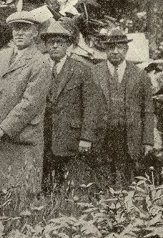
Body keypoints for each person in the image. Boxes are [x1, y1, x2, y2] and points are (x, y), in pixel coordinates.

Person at [0, 9, 52, 194]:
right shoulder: (0, 56)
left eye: (25, 29)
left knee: (21, 193)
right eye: (16, 28)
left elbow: (30, 103)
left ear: (35, 33)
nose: (19, 33)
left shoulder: (40, 62)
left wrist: (3, 129)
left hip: (22, 138)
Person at [90, 26, 154, 185]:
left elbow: (147, 110)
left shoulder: (140, 75)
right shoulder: (93, 72)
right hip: (102, 136)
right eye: (111, 47)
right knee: (101, 181)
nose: (115, 51)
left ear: (126, 49)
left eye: (120, 47)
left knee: (127, 180)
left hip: (130, 137)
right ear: (105, 49)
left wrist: (147, 140)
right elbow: (87, 107)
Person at [40, 20, 99, 191]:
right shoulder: (40, 68)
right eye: (51, 42)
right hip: (44, 135)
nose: (55, 46)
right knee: (44, 182)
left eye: (60, 42)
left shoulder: (81, 70)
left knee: (69, 184)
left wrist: (86, 138)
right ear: (46, 45)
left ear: (68, 45)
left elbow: (91, 107)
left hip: (70, 137)